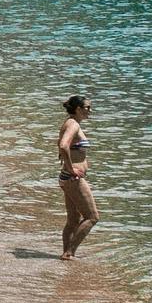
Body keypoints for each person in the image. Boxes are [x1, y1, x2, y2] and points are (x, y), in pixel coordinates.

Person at [57, 95, 99, 260]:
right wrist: (71, 168)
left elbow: (62, 145)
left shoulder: (70, 123)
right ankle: (69, 253)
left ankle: (66, 253)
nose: (90, 111)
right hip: (73, 178)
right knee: (92, 217)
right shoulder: (73, 124)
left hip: (67, 177)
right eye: (87, 107)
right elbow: (63, 145)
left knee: (73, 220)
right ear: (77, 109)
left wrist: (67, 165)